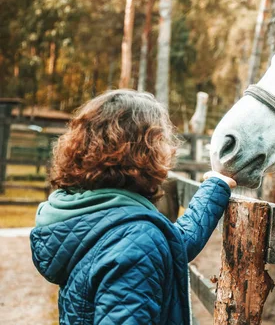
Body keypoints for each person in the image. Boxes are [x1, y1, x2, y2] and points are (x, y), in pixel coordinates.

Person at [30, 89, 236, 324]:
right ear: (143, 151)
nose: (168, 151)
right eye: (161, 141)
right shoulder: (134, 238)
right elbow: (140, 250)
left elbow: (168, 245)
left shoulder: (90, 216)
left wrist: (215, 188)